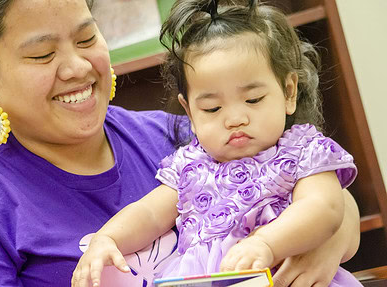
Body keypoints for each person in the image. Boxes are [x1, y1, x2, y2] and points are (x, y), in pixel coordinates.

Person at [0, 0, 360, 286]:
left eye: (87, 39)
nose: (77, 67)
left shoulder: (178, 135)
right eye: (42, 54)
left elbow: (323, 195)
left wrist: (321, 240)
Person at [72, 0, 363, 286]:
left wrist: (267, 243)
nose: (234, 119)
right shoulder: (189, 164)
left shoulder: (304, 151)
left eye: (253, 99)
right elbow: (147, 214)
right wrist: (107, 238)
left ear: (288, 92)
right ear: (189, 112)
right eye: (212, 108)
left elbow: (324, 208)